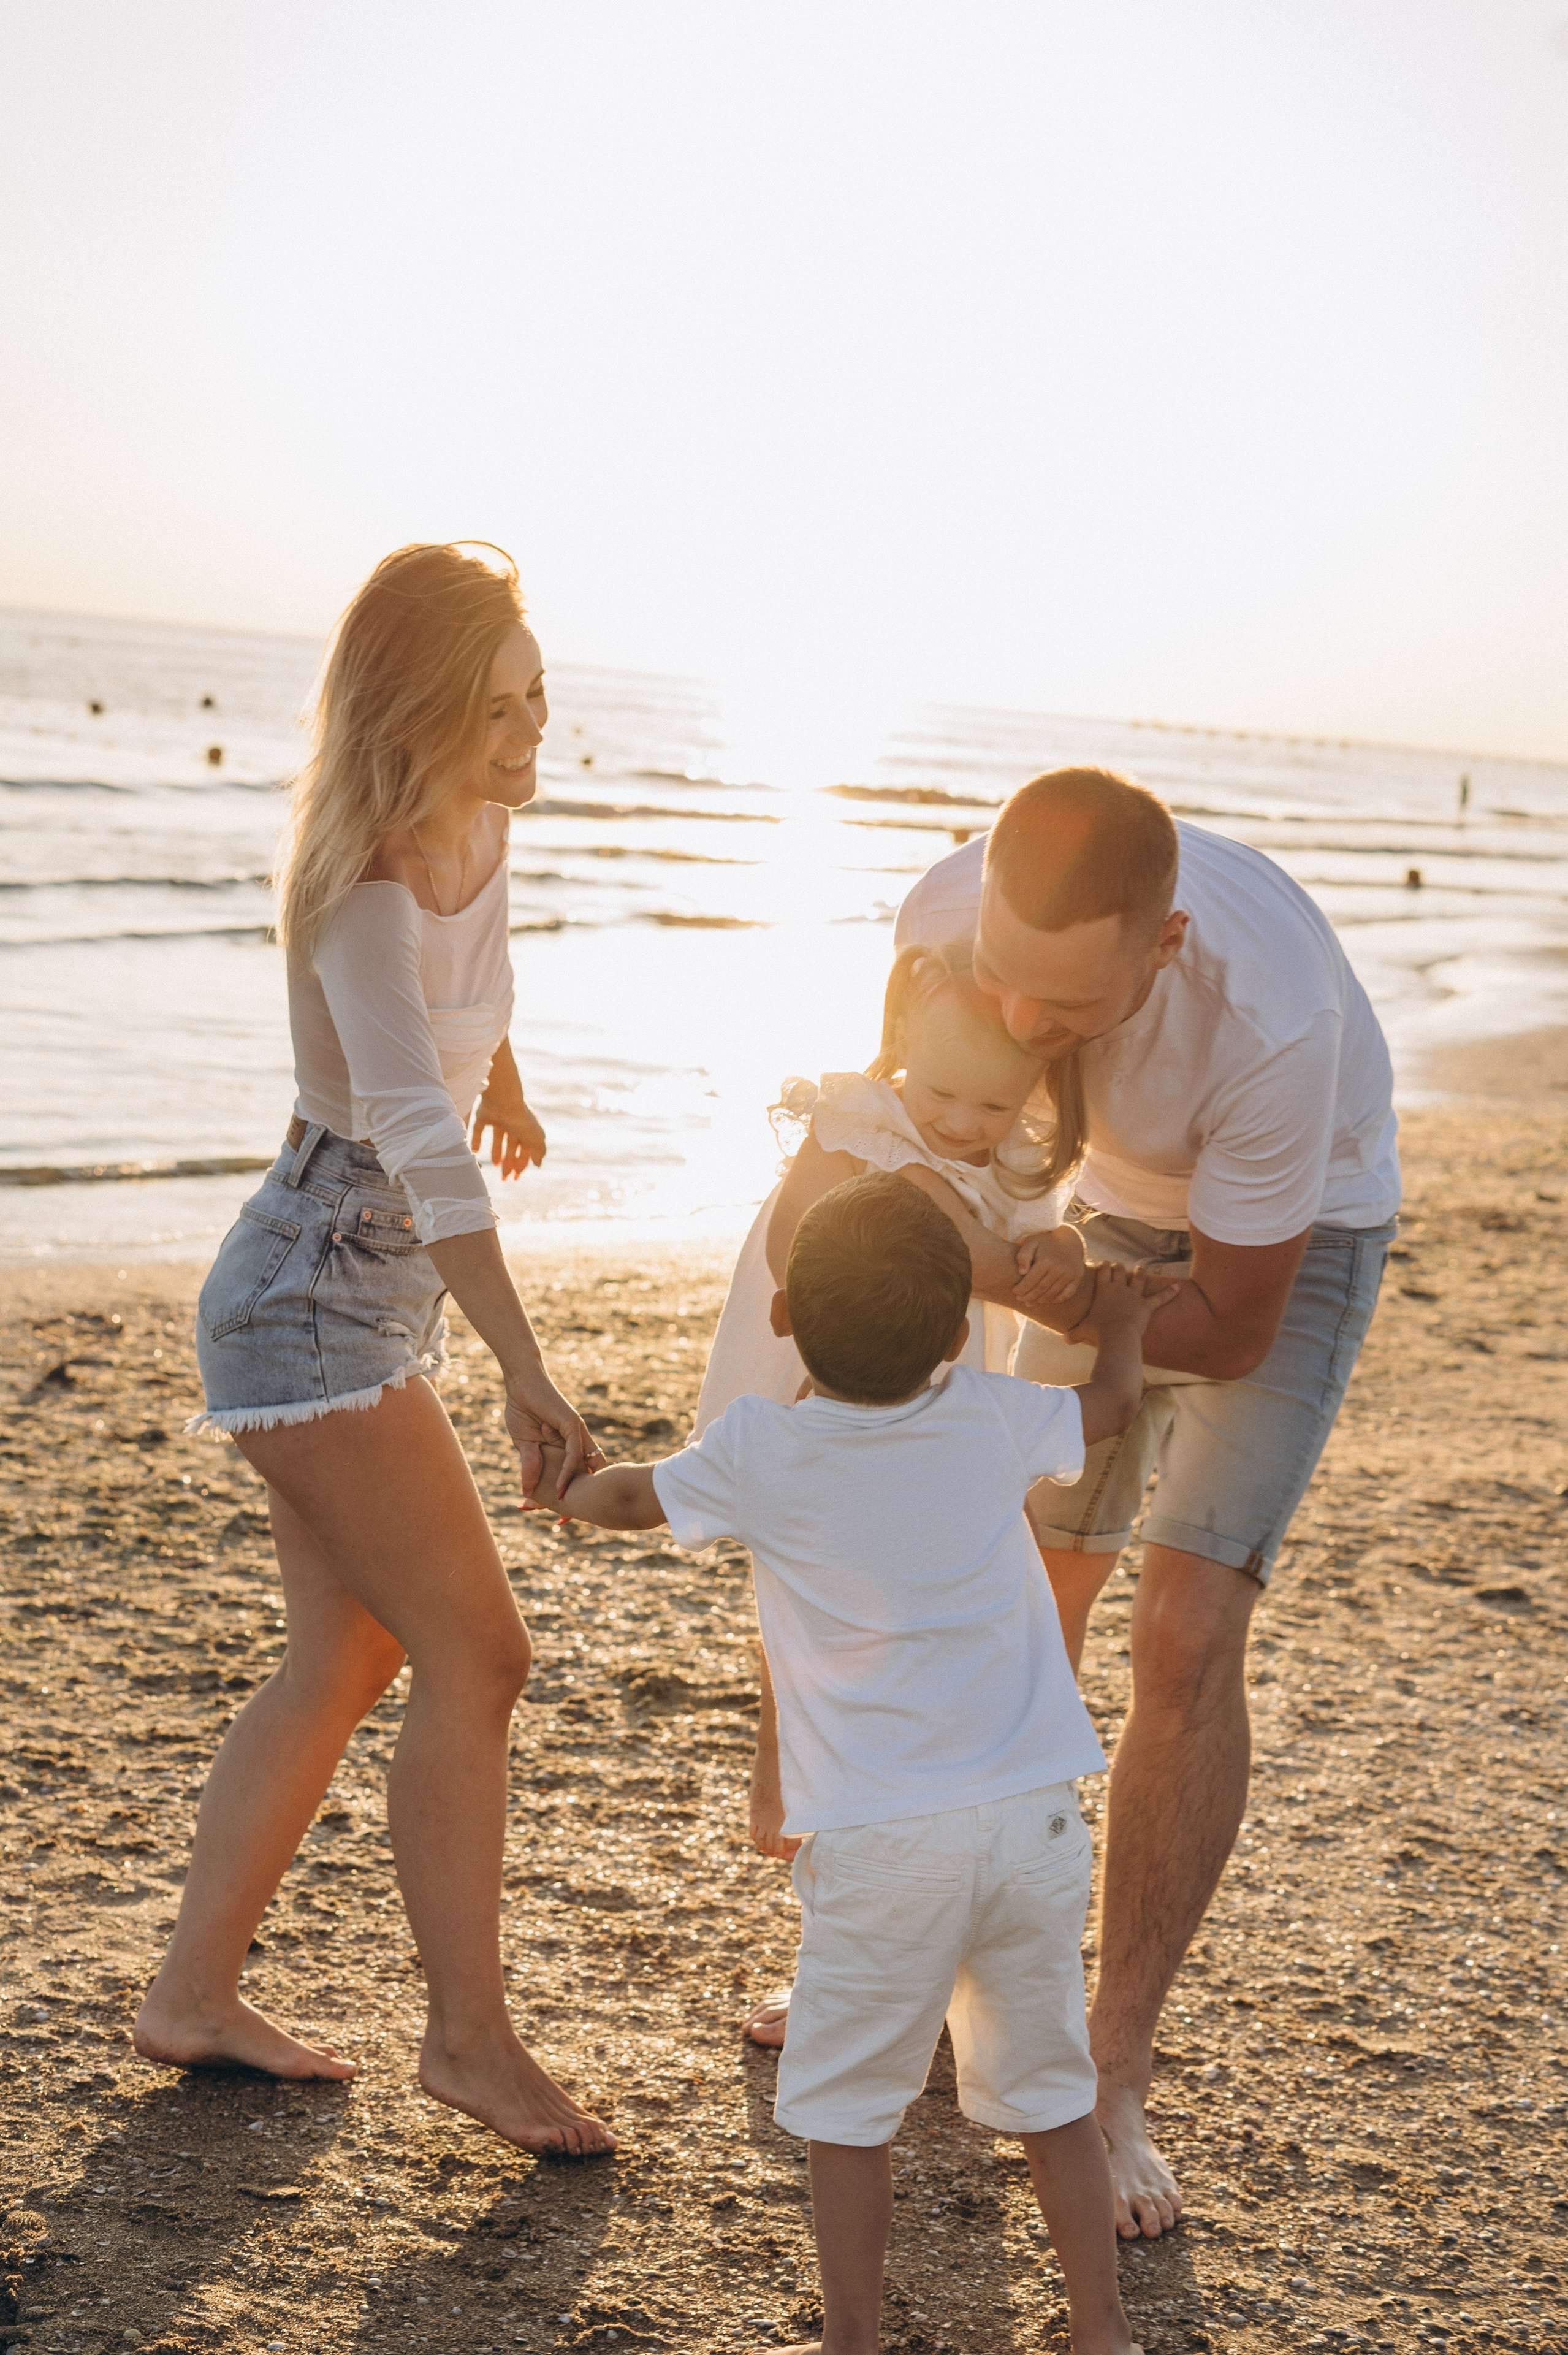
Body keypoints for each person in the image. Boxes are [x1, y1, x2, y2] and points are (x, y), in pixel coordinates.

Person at [133, 542, 616, 2157]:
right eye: (500, 709)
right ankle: (469, 2045)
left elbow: (452, 1018)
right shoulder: (364, 888)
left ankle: (193, 1998)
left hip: (355, 1285)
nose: (532, 731)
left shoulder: (475, 828)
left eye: (539, 695)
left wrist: (512, 1074)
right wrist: (524, 1367)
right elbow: (409, 1138)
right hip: (311, 1292)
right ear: (416, 717)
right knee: (480, 1651)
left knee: (346, 1658)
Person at [880, 764, 1400, 2237]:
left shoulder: (1269, 1018)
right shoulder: (942, 913)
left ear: (1160, 947)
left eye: (1070, 1006)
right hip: (1095, 1208)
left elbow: (1232, 1322)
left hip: (1280, 1238)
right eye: (1003, 983)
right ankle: (914, 1961)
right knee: (1020, 1585)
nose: (1026, 1028)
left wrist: (987, 1274)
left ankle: (1105, 2073)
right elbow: (921, 1129)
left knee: (1180, 1631)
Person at [536, 1173, 1170, 2355]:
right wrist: (1122, 1323)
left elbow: (635, 1498)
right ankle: (1099, 2330)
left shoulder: (760, 1447)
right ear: (950, 1331)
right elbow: (1109, 1405)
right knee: (1051, 2098)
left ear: (782, 1320)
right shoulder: (986, 1408)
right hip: (1032, 1820)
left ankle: (853, 2340)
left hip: (884, 1840)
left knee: (849, 2114)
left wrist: (562, 1490)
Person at [691, 938, 1087, 1436]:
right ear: (904, 1042)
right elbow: (786, 1244)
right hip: (830, 1336)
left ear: (1033, 1084)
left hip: (938, 1354)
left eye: (994, 1107)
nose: (962, 1123)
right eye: (941, 1092)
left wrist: (1063, 1248)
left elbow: (1038, 1239)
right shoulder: (860, 1120)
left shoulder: (1020, 1158)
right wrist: (835, 1369)